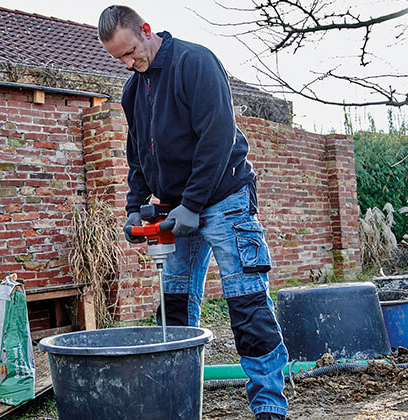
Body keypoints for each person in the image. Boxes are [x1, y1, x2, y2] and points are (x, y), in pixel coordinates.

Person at [98, 5, 289, 420]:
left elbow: (217, 139)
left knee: (247, 303)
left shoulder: (194, 62)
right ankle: (179, 404)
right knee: (176, 309)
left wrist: (194, 204)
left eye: (131, 52)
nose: (129, 64)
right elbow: (137, 156)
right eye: (119, 60)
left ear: (146, 31)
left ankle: (270, 409)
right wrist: (135, 208)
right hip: (174, 211)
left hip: (223, 198)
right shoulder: (133, 90)